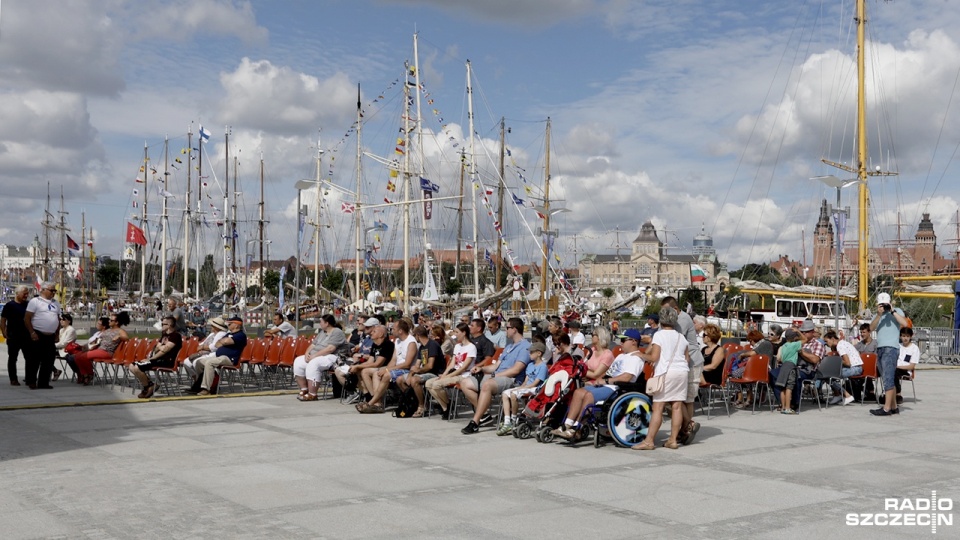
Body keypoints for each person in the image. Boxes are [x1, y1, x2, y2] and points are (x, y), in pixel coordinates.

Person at [553, 330, 643, 440]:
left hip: (618, 388)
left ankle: (577, 427)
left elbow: (627, 377)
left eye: (624, 340)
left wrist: (605, 381)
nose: (621, 343)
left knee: (589, 395)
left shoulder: (636, 358)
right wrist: (599, 379)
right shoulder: (621, 356)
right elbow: (609, 372)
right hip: (607, 384)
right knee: (578, 392)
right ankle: (566, 424)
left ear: (634, 341)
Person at [461, 317, 531, 434]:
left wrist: (495, 375)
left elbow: (516, 370)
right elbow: (495, 366)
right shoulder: (509, 347)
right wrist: (482, 368)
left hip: (511, 379)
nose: (505, 331)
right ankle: (484, 413)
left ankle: (475, 421)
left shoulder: (525, 347)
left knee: (487, 385)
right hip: (498, 376)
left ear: (514, 329)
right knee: (465, 383)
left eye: (507, 328)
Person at [632, 306, 689, 450]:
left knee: (658, 407)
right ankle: (673, 440)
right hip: (681, 372)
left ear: (661, 320)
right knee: (676, 406)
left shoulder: (659, 335)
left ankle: (649, 441)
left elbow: (654, 357)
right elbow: (686, 358)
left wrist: (641, 355)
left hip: (666, 372)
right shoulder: (681, 337)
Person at [660, 296, 704, 445]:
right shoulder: (675, 318)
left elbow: (671, 336)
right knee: (678, 399)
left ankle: (686, 428)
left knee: (687, 398)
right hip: (682, 363)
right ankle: (684, 428)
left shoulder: (683, 319)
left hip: (691, 362)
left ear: (675, 309)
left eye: (665, 311)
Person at [357, 318, 417, 413]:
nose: (391, 331)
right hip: (398, 368)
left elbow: (407, 364)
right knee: (377, 373)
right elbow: (393, 360)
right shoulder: (397, 341)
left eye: (394, 329)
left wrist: (387, 370)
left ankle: (371, 403)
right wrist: (386, 368)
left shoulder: (411, 342)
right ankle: (378, 404)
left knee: (386, 375)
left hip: (407, 370)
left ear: (400, 331)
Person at [425, 323, 476, 420]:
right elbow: (452, 364)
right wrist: (444, 374)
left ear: (464, 333)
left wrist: (447, 377)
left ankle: (447, 407)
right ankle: (446, 407)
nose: (455, 334)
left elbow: (463, 368)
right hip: (454, 372)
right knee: (428, 383)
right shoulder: (457, 346)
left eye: (457, 332)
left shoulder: (471, 347)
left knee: (436, 385)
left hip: (464, 375)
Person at [869, 292, 908, 416]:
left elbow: (905, 323)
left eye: (885, 304)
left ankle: (886, 408)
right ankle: (894, 406)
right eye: (881, 304)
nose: (883, 306)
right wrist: (879, 315)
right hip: (880, 348)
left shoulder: (896, 311)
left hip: (891, 348)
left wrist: (892, 311)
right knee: (888, 377)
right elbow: (871, 328)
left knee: (888, 379)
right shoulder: (878, 315)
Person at [497, 342, 548, 435]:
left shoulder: (543, 367)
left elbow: (535, 383)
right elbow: (526, 380)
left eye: (531, 352)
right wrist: (520, 387)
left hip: (535, 389)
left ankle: (513, 419)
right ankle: (507, 421)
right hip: (527, 387)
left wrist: (519, 389)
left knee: (514, 394)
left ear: (539, 353)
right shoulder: (530, 365)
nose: (529, 354)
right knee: (505, 393)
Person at [293, 314, 348, 401]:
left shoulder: (337, 332)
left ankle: (312, 393)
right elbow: (312, 345)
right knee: (298, 361)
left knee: (314, 363)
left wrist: (314, 356)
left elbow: (330, 349)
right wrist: (307, 353)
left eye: (321, 322)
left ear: (327, 323)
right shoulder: (322, 332)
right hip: (317, 355)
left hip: (333, 356)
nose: (320, 324)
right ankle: (304, 389)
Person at [129, 315, 183, 398]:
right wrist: (161, 347)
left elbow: (164, 350)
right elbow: (157, 349)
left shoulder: (176, 336)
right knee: (131, 366)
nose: (161, 325)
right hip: (158, 359)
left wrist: (150, 359)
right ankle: (149, 385)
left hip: (167, 361)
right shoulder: (164, 335)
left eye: (163, 324)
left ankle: (148, 387)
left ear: (169, 325)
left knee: (137, 367)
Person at [398, 325, 445, 417]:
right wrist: (411, 373)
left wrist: (416, 371)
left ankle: (422, 406)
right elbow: (417, 364)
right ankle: (415, 401)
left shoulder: (432, 345)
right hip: (424, 372)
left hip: (435, 373)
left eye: (414, 335)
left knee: (414, 380)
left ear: (418, 335)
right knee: (400, 380)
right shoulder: (421, 347)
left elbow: (430, 366)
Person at [193, 316, 247, 396]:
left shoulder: (240, 335)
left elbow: (225, 342)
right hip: (219, 357)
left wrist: (223, 341)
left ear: (236, 325)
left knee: (209, 362)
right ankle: (202, 383)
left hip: (229, 359)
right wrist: (223, 341)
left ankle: (206, 389)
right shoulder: (229, 334)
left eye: (230, 323)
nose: (228, 325)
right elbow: (217, 344)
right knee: (199, 362)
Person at [23, 282, 63, 389]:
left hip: (50, 335)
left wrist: (57, 333)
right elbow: (27, 318)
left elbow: (58, 320)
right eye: (51, 290)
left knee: (49, 359)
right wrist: (32, 332)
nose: (53, 293)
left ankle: (43, 382)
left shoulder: (56, 303)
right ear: (43, 290)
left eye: (54, 291)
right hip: (37, 333)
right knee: (34, 360)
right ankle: (31, 381)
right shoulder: (35, 301)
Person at [1, 285, 31, 385]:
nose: (26, 295)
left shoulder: (28, 305)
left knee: (29, 358)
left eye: (27, 293)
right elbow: (3, 320)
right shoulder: (9, 305)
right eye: (24, 293)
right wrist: (4, 331)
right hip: (13, 336)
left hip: (27, 336)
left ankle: (29, 378)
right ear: (17, 293)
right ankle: (13, 379)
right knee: (13, 358)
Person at [822, 329, 861, 406]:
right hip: (856, 367)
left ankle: (845, 395)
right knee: (830, 375)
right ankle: (839, 395)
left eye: (826, 341)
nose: (826, 344)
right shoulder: (842, 343)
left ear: (832, 339)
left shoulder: (840, 346)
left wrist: (835, 360)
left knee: (827, 376)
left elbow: (847, 363)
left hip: (855, 368)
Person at [773, 329, 802, 414]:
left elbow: (778, 358)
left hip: (783, 366)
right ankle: (788, 408)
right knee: (789, 387)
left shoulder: (782, 346)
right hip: (791, 366)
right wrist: (799, 332)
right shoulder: (795, 344)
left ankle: (783, 407)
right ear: (795, 337)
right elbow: (805, 340)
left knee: (783, 388)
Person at [895, 327, 919, 404]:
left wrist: (897, 367)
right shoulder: (898, 346)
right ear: (900, 336)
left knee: (894, 372)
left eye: (907, 336)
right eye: (904, 336)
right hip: (896, 368)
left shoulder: (914, 348)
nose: (905, 338)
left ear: (910, 337)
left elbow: (911, 366)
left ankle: (898, 394)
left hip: (906, 370)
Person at [52, 313, 78, 381]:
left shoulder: (71, 330)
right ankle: (55, 370)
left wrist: (52, 345)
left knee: (69, 358)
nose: (61, 321)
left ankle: (80, 372)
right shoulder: (61, 330)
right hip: (61, 349)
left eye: (63, 319)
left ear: (69, 321)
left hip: (67, 350)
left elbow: (65, 343)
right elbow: (60, 342)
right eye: (60, 319)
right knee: (43, 355)